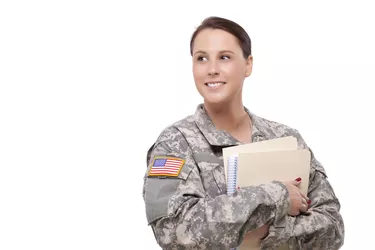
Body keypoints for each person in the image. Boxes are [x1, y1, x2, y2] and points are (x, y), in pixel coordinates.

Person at [142, 16, 345, 249]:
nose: (212, 69)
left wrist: (266, 234)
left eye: (224, 57)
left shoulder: (284, 138)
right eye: (201, 59)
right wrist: (275, 196)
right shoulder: (176, 143)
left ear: (248, 65)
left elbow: (333, 229)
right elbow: (177, 234)